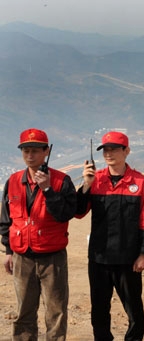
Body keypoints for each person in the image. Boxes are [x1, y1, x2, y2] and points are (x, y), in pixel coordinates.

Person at [75, 131, 144, 341]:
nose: (109, 154)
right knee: (99, 310)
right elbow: (78, 212)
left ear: (126, 151)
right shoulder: (95, 180)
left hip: (128, 259)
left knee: (134, 308)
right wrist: (86, 184)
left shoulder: (140, 183)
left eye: (114, 149)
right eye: (105, 150)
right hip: (99, 258)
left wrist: (143, 253)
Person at [0, 128, 77, 340]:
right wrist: (8, 251)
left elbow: (66, 214)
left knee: (56, 312)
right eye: (26, 151)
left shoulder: (62, 181)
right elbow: (7, 219)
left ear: (46, 152)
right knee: (24, 311)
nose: (30, 156)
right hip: (22, 257)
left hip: (53, 258)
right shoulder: (13, 181)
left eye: (35, 151)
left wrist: (48, 190)